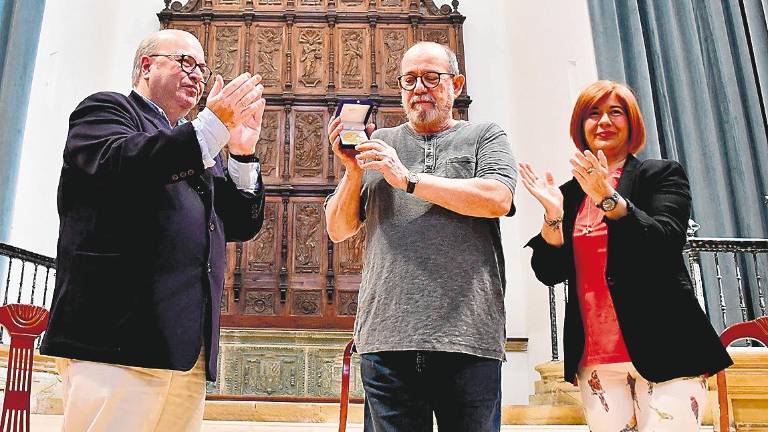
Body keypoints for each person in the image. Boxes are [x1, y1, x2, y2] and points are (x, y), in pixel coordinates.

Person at [40, 29, 266, 432]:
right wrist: (211, 128)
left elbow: (239, 223)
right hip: (116, 338)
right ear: (147, 65)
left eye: (202, 68)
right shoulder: (107, 111)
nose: (197, 76)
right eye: (186, 63)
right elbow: (129, 163)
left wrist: (243, 151)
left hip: (183, 348)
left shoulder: (199, 144)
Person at [325, 41, 517, 431]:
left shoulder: (484, 136)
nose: (419, 88)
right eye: (409, 80)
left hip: (467, 336)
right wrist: (353, 172)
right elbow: (338, 228)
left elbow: (497, 198)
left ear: (456, 84)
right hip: (387, 337)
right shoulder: (379, 145)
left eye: (432, 78)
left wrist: (409, 180)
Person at [520, 80, 732, 432]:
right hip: (597, 358)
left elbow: (664, 240)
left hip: (668, 346)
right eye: (593, 113)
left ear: (631, 122)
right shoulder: (570, 194)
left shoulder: (659, 174)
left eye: (615, 112)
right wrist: (553, 216)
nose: (604, 121)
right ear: (580, 126)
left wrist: (608, 197)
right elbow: (549, 272)